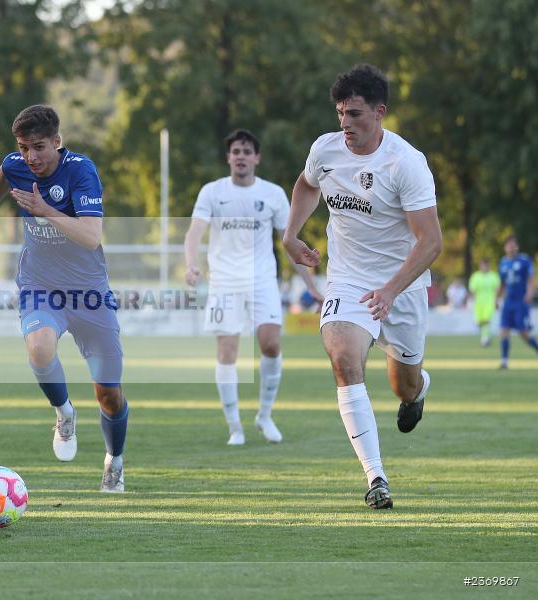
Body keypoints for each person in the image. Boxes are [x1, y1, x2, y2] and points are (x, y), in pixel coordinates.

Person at [282, 64, 443, 509]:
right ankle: (376, 478)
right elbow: (306, 185)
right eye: (340, 114)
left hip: (403, 287)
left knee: (403, 385)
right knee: (344, 360)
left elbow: (431, 243)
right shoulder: (326, 149)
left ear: (379, 111)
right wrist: (291, 234)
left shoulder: (405, 163)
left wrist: (391, 290)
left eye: (354, 114)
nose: (345, 125)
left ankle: (418, 389)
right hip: (349, 279)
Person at [0, 104, 128, 492]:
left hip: (89, 292)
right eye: (24, 147)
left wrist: (44, 210)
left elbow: (92, 237)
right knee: (39, 349)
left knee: (108, 393)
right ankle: (64, 413)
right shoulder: (16, 164)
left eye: (39, 147)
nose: (31, 157)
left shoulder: (81, 171)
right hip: (40, 285)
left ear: (57, 142)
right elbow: (3, 171)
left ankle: (115, 460)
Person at [184, 129, 322, 446]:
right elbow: (194, 234)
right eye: (236, 151)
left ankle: (264, 415)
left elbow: (289, 243)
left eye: (247, 151)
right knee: (228, 352)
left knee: (271, 344)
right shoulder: (211, 192)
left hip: (262, 280)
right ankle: (235, 427)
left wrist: (311, 286)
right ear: (229, 158)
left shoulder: (272, 194)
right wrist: (191, 264)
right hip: (224, 283)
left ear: (256, 158)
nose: (241, 156)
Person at [497, 235, 537, 368]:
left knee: (523, 333)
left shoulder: (524, 261)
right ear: (505, 248)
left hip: (520, 302)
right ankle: (504, 361)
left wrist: (530, 293)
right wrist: (497, 298)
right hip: (508, 302)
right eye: (509, 245)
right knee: (504, 330)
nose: (511, 247)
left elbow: (531, 279)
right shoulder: (503, 263)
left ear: (517, 246)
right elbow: (502, 284)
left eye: (513, 245)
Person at [468, 259, 500, 347]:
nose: (484, 267)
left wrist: (496, 300)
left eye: (486, 265)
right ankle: (487, 336)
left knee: (486, 320)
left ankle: (484, 339)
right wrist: (470, 301)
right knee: (479, 322)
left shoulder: (493, 276)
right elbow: (472, 289)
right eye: (483, 265)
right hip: (478, 303)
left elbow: (497, 289)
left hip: (490, 302)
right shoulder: (475, 276)